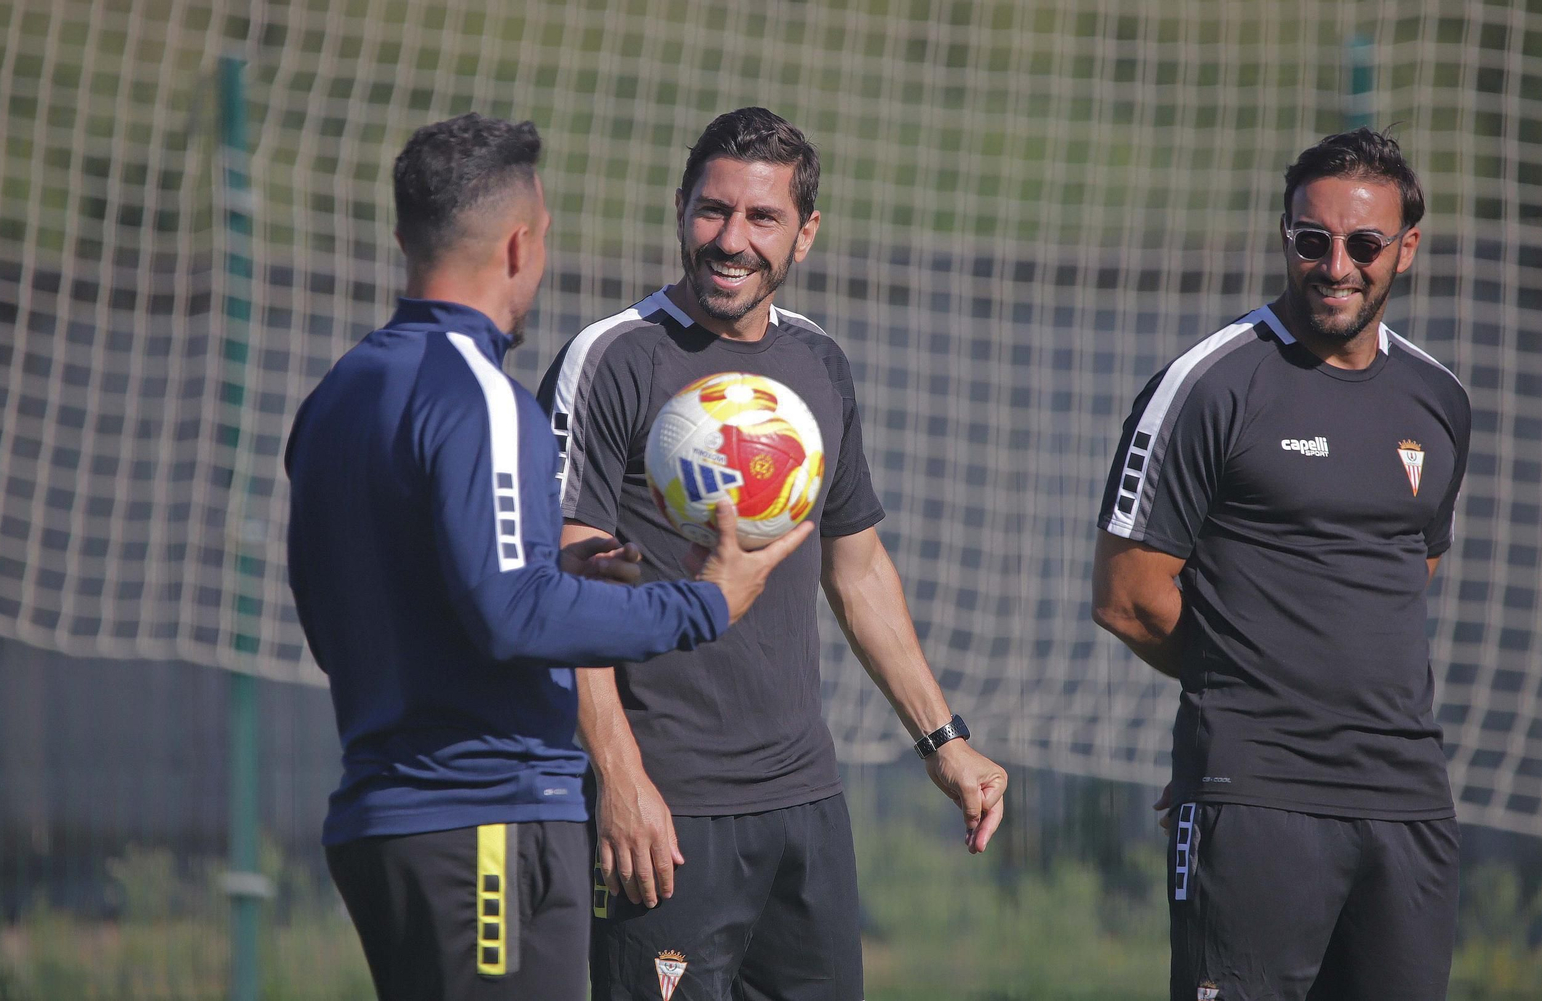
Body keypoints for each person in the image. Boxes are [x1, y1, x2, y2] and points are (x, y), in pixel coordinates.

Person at [284, 113, 812, 1001]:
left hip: (382, 815)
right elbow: (509, 611)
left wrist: (570, 586)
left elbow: (364, 604)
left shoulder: (342, 390)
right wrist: (704, 601)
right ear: (521, 245)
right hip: (484, 816)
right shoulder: (478, 396)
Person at [537, 107, 1009, 1001]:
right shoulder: (611, 359)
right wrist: (621, 779)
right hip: (668, 812)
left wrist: (944, 741)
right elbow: (568, 590)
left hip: (803, 805)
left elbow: (856, 566)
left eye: (762, 218)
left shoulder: (818, 362)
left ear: (805, 233)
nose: (731, 241)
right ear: (680, 208)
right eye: (713, 211)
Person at [1092, 128, 1470, 1001]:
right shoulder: (1210, 384)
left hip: (1408, 806)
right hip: (1255, 800)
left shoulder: (1439, 400)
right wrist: (1242, 707)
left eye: (1364, 244)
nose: (1336, 265)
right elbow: (1128, 597)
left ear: (1406, 248)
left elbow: (1411, 571)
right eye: (1313, 240)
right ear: (1286, 237)